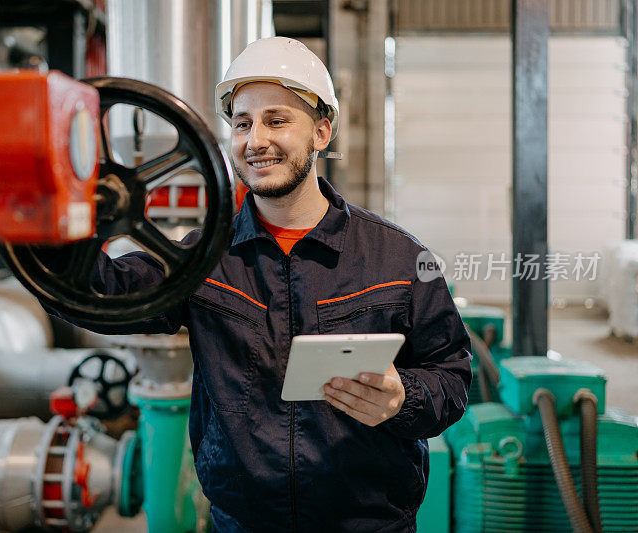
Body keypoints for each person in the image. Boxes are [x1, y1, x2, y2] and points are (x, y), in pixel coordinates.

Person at [51, 37, 471, 532]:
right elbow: (101, 294)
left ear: (321, 132)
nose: (255, 140)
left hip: (369, 523)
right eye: (243, 124)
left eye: (277, 120)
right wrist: (44, 224)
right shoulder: (205, 257)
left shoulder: (397, 258)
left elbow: (453, 377)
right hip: (242, 523)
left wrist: (405, 398)